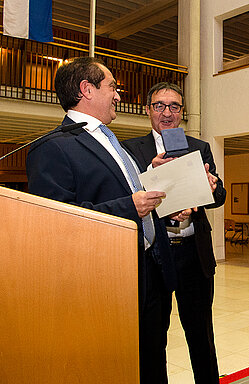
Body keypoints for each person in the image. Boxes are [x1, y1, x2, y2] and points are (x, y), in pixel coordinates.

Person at [25, 57, 190, 384]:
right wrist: (131, 207)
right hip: (107, 281)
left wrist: (161, 203)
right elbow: (56, 220)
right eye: (112, 86)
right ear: (87, 90)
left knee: (153, 360)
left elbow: (126, 192)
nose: (118, 95)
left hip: (151, 273)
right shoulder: (52, 148)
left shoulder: (114, 142)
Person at [123, 82, 226, 384]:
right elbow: (126, 194)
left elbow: (218, 195)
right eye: (159, 105)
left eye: (174, 106)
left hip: (194, 253)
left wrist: (209, 187)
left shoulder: (199, 147)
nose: (167, 113)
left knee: (201, 334)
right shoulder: (132, 150)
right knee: (153, 336)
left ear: (182, 112)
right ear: (147, 110)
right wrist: (147, 172)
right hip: (155, 255)